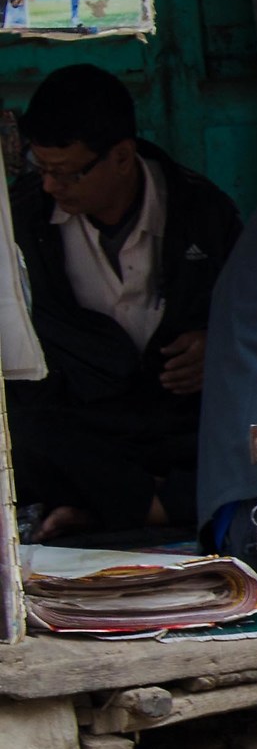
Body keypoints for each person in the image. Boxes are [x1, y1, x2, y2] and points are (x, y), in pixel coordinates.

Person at [5, 65, 239, 541]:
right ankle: (150, 505)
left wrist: (216, 347)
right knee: (24, 426)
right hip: (80, 416)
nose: (51, 186)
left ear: (121, 156)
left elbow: (250, 316)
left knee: (249, 437)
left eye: (66, 173)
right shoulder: (22, 217)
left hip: (176, 415)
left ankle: (110, 507)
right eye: (41, 169)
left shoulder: (202, 211)